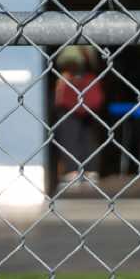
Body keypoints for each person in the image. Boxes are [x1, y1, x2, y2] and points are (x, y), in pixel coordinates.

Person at [51, 44, 107, 189]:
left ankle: (74, 171)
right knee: (88, 133)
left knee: (70, 132)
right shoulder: (92, 42)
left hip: (72, 86)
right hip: (86, 87)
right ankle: (89, 171)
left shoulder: (68, 42)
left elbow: (67, 60)